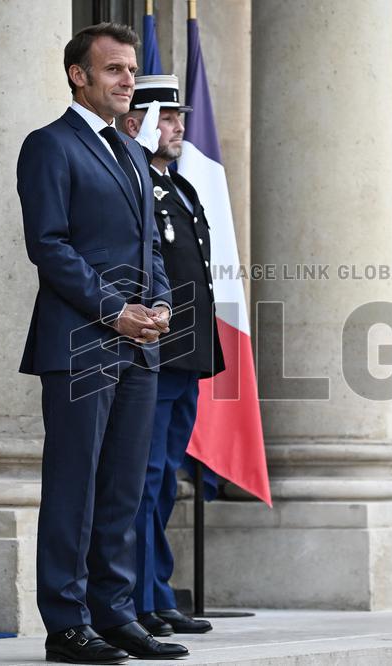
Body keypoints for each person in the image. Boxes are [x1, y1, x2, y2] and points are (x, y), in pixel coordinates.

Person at [17, 22, 191, 663]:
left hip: (139, 348)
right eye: (114, 70)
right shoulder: (49, 146)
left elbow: (151, 249)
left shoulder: (132, 154)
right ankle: (66, 623)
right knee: (75, 485)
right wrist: (116, 311)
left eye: (130, 70)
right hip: (80, 343)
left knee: (122, 487)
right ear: (78, 75)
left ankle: (115, 614)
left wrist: (163, 306)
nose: (128, 82)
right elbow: (50, 247)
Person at [119, 74, 225, 636]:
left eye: (182, 115)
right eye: (168, 115)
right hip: (155, 350)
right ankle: (138, 599)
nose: (180, 125)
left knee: (163, 481)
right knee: (145, 475)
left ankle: (156, 592)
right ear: (136, 123)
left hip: (187, 352)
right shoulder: (137, 183)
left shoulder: (179, 188)